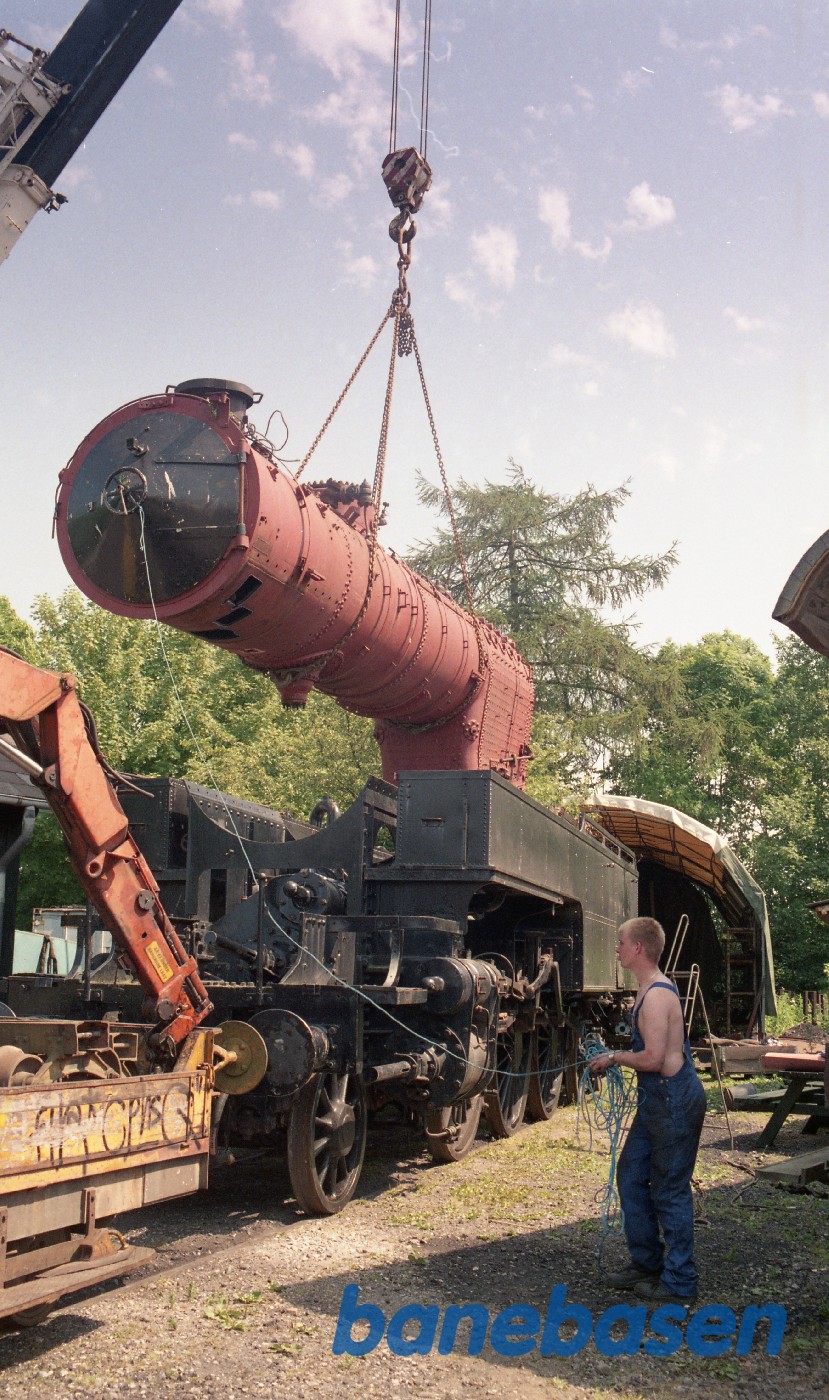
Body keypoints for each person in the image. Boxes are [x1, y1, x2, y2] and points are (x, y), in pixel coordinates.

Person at [590, 916, 707, 1303]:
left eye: (621, 942)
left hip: (672, 1098)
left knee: (670, 1190)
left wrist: (613, 1057)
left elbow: (655, 1058)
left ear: (637, 948)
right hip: (658, 1099)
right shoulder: (648, 989)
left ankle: (679, 1282)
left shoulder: (656, 995)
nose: (616, 948)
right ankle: (647, 1262)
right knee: (631, 1174)